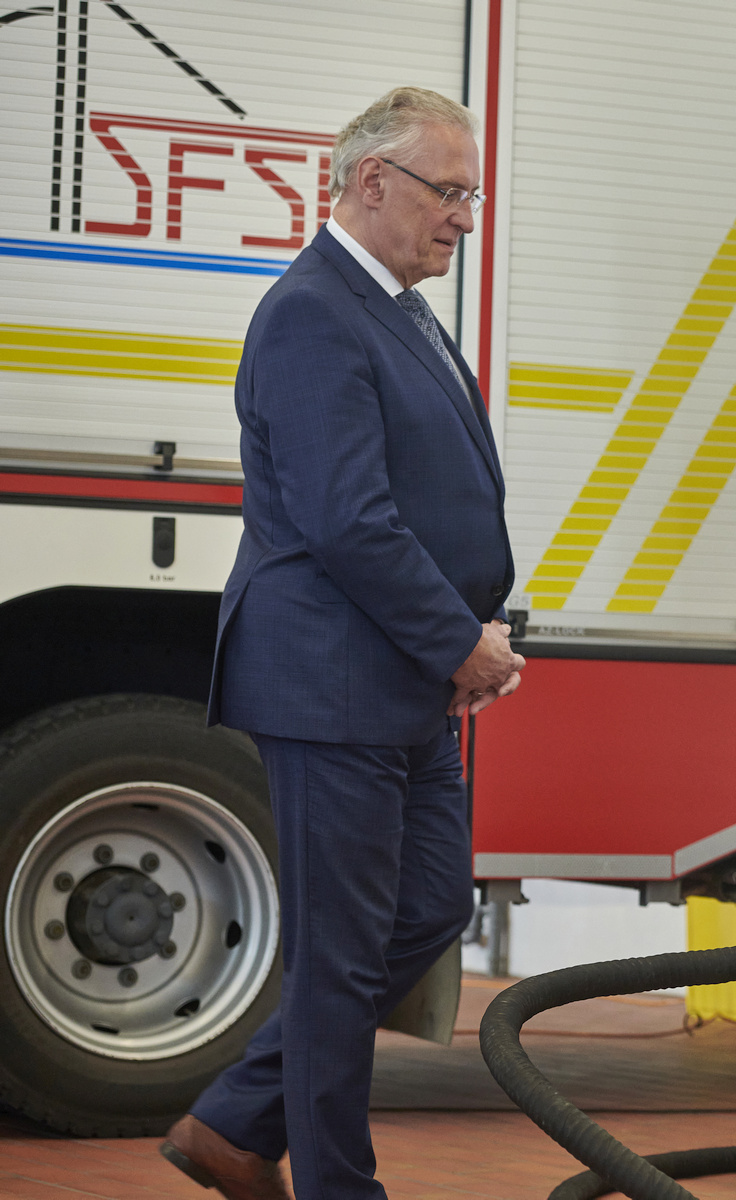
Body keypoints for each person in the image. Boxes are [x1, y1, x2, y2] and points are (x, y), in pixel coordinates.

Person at [157, 87, 525, 1200]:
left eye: (472, 193)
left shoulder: (399, 309)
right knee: (340, 956)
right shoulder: (314, 313)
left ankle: (231, 1124)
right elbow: (346, 519)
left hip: (398, 679)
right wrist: (456, 642)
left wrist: (458, 637)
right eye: (449, 191)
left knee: (425, 910)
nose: (465, 216)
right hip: (333, 683)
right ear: (374, 185)